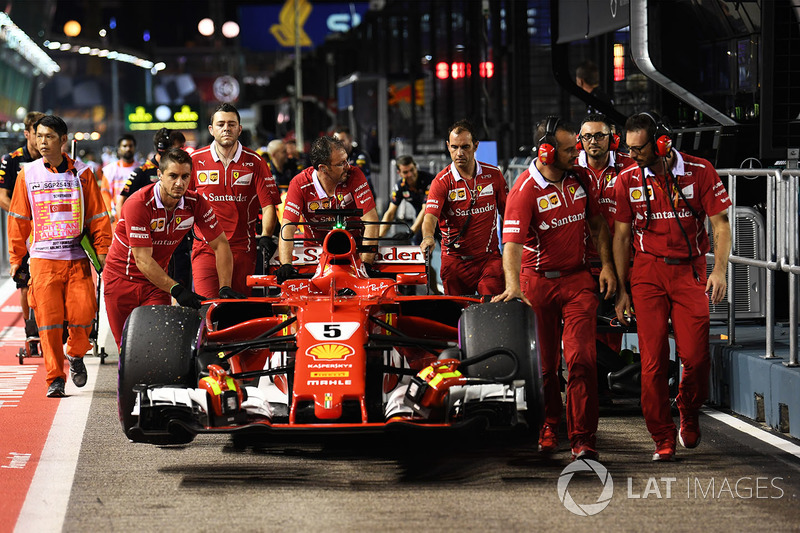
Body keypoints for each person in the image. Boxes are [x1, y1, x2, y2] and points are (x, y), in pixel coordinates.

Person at [493, 116, 616, 460]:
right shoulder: (524, 190)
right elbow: (512, 245)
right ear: (546, 152)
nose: (577, 153)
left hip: (577, 281)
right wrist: (514, 286)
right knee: (546, 367)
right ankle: (549, 425)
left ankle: (583, 438)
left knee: (582, 360)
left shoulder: (579, 178)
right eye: (568, 149)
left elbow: (597, 224)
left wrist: (607, 265)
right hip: (537, 284)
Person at [613, 112, 732, 461]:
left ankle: (688, 408)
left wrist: (719, 270)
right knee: (652, 363)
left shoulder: (700, 171)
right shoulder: (627, 180)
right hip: (647, 273)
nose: (632, 155)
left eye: (639, 148)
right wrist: (622, 289)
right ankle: (661, 436)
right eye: (628, 148)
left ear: (662, 143)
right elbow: (621, 237)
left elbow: (721, 225)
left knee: (695, 357)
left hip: (689, 272)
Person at [7, 115, 113, 398]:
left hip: (77, 260)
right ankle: (55, 378)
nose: (42, 142)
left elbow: (98, 217)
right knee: (49, 324)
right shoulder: (27, 175)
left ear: (63, 140)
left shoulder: (83, 173)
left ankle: (75, 353)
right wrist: (17, 259)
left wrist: (102, 251)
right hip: (43, 262)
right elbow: (18, 220)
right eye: (39, 136)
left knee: (84, 315)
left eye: (49, 137)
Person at [103, 149, 240, 347]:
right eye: (173, 176)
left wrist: (225, 286)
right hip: (120, 281)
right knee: (128, 349)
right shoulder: (138, 203)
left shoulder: (195, 203)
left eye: (185, 177)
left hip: (156, 284)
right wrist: (177, 289)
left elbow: (220, 244)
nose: (179, 183)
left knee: (157, 347)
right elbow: (142, 259)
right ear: (159, 175)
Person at [190, 103, 280, 297]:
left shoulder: (256, 161)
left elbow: (268, 206)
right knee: (207, 307)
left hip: (242, 250)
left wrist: (266, 235)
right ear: (211, 129)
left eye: (231, 124)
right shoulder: (194, 160)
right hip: (205, 248)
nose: (226, 128)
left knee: (238, 309)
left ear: (239, 129)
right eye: (220, 124)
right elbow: (184, 203)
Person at [419, 119, 507, 296]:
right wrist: (428, 237)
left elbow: (508, 214)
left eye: (465, 147)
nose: (459, 153)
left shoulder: (494, 175)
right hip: (454, 262)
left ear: (475, 146)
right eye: (454, 147)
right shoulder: (441, 182)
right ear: (448, 146)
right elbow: (430, 217)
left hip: (489, 260)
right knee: (456, 312)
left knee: (492, 308)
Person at [277, 136, 379, 281]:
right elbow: (287, 227)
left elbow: (371, 221)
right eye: (341, 163)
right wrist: (286, 264)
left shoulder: (355, 175)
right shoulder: (299, 184)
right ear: (323, 168)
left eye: (346, 160)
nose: (348, 166)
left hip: (355, 252)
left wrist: (366, 264)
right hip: (314, 255)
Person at [577, 113, 636, 354]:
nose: (593, 141)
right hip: (582, 264)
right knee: (582, 332)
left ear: (612, 138)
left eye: (600, 135)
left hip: (625, 261)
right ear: (580, 140)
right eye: (588, 136)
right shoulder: (570, 168)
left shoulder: (630, 166)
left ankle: (615, 371)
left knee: (616, 328)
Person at [119, 128, 192, 287]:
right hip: (151, 238)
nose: (182, 152)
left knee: (182, 282)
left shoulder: (183, 169)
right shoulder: (143, 171)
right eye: (178, 148)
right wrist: (127, 230)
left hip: (177, 234)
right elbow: (122, 199)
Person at [0, 110, 45, 335]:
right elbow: (2, 197)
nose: (43, 139)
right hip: (24, 233)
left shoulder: (52, 159)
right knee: (25, 285)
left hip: (49, 232)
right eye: (38, 134)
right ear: (27, 133)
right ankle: (31, 332)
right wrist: (27, 218)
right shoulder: (11, 160)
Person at [379, 155, 434, 245]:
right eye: (405, 172)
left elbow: (426, 209)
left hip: (441, 220)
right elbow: (390, 213)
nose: (410, 175)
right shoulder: (400, 186)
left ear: (416, 167)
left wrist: (410, 232)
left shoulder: (430, 181)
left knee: (448, 250)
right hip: (421, 222)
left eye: (412, 170)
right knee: (418, 249)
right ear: (399, 173)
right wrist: (378, 237)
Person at [98, 134, 139, 224]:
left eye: (130, 146)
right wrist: (108, 211)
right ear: (119, 149)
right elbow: (105, 192)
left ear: (134, 148)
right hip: (115, 217)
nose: (128, 149)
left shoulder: (141, 169)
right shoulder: (110, 170)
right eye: (124, 146)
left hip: (137, 214)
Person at [333, 125, 375, 196]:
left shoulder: (360, 156)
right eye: (336, 142)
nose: (338, 144)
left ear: (350, 139)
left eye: (342, 141)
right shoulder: (334, 158)